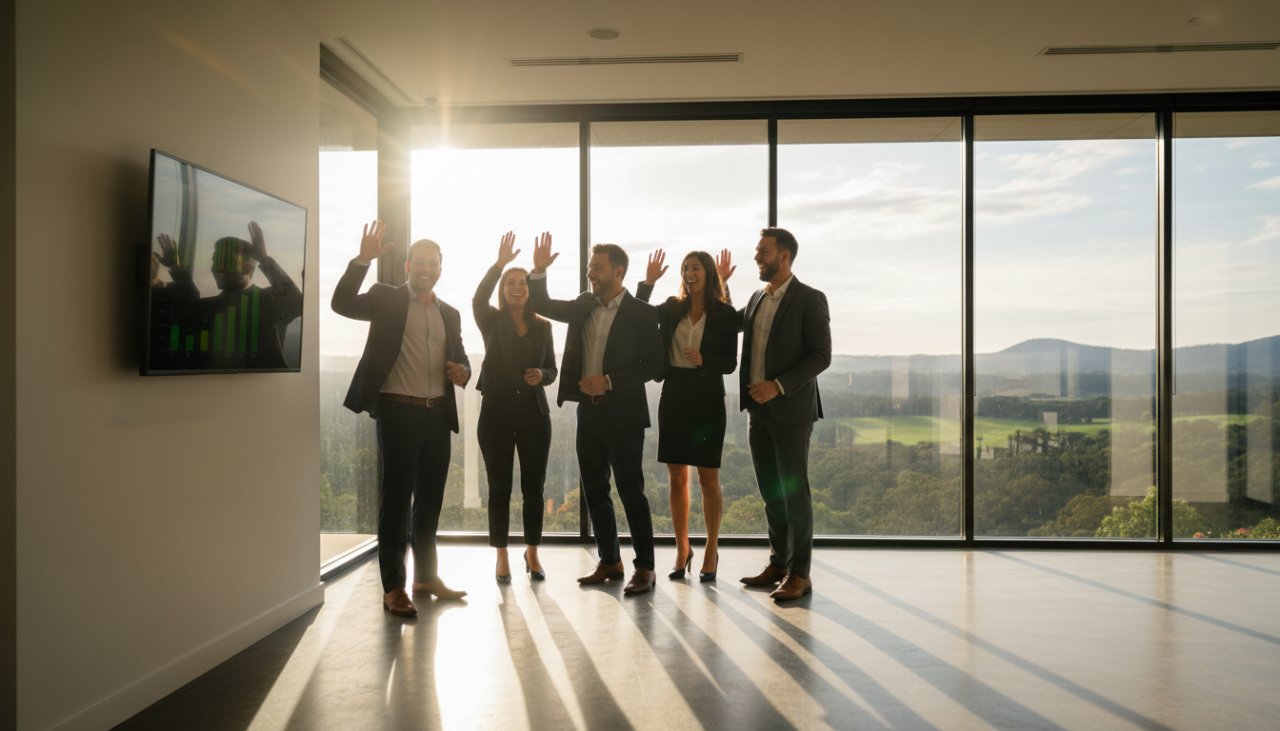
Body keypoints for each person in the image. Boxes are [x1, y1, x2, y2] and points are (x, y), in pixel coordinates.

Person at [332, 219, 471, 617]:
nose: (426, 269)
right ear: (408, 266)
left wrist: (463, 371)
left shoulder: (451, 313)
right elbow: (341, 304)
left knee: (429, 502)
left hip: (436, 416)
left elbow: (459, 357)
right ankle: (393, 586)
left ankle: (425, 578)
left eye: (433, 263)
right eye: (419, 262)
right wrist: (362, 260)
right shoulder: (386, 298)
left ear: (440, 269)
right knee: (395, 502)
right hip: (396, 413)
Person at [526, 233, 663, 596]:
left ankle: (646, 567)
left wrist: (610, 381)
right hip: (589, 414)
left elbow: (656, 364)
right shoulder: (584, 305)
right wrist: (538, 270)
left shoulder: (643, 313)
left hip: (625, 415)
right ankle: (610, 560)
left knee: (631, 491)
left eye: (597, 268)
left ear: (619, 271)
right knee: (594, 489)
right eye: (589, 267)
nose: (591, 274)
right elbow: (540, 301)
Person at [730, 228, 831, 602]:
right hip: (758, 412)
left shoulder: (810, 299)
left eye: (763, 251)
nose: (757, 257)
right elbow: (728, 322)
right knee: (771, 492)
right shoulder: (757, 297)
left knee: (794, 494)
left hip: (791, 411)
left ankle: (800, 574)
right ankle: (778, 563)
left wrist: (778, 385)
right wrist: (720, 285)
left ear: (784, 255)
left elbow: (821, 355)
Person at [635, 249, 741, 582]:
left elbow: (730, 363)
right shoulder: (671, 308)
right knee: (676, 477)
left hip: (707, 397)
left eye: (695, 268)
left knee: (708, 477)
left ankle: (711, 548)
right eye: (685, 269)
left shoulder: (723, 314)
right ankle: (683, 549)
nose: (688, 273)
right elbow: (638, 316)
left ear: (708, 274)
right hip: (675, 395)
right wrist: (648, 283)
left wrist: (705, 360)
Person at [473, 232, 558, 583]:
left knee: (533, 489)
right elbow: (478, 297)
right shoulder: (490, 321)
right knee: (499, 490)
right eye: (511, 282)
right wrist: (499, 264)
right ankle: (502, 555)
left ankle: (533, 552)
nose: (517, 286)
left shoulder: (543, 327)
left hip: (534, 416)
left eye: (522, 282)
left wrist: (543, 374)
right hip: (495, 414)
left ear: (529, 289)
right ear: (503, 289)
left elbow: (553, 369)